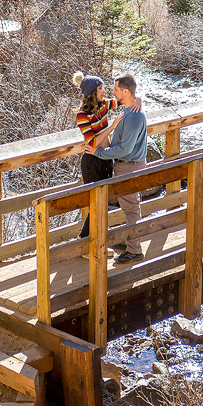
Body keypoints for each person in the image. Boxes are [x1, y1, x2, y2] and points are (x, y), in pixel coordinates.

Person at [86, 73, 147, 264]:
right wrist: (138, 99)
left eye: (116, 90)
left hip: (129, 167)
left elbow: (125, 148)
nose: (113, 93)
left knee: (131, 209)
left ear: (126, 92)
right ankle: (130, 244)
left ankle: (135, 250)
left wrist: (98, 153)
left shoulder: (134, 117)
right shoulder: (130, 110)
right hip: (126, 166)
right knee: (129, 206)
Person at [73, 71, 141, 239]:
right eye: (101, 88)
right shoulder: (82, 115)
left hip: (105, 158)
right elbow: (92, 142)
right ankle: (85, 240)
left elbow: (124, 98)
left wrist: (139, 100)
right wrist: (111, 127)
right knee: (97, 204)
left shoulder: (104, 104)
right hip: (92, 161)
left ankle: (99, 241)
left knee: (103, 203)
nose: (105, 92)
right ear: (92, 92)